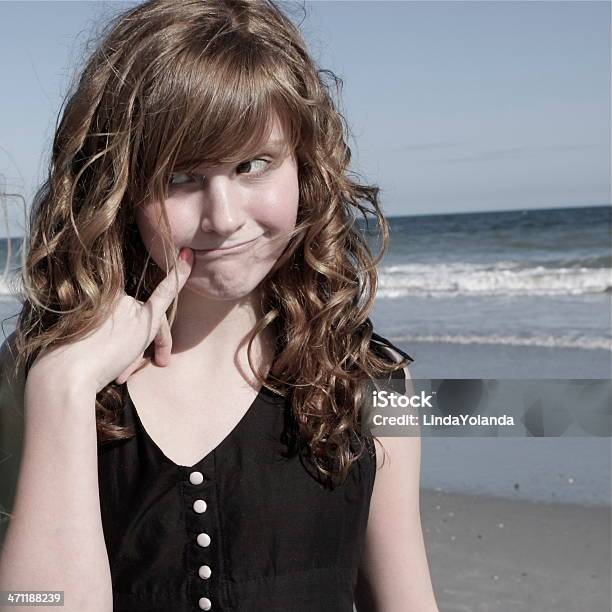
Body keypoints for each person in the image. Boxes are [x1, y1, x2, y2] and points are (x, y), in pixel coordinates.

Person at [0, 0, 439, 610]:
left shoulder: (366, 382)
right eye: (182, 177)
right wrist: (62, 390)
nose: (225, 218)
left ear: (306, 167)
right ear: (118, 187)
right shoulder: (38, 380)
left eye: (253, 165)